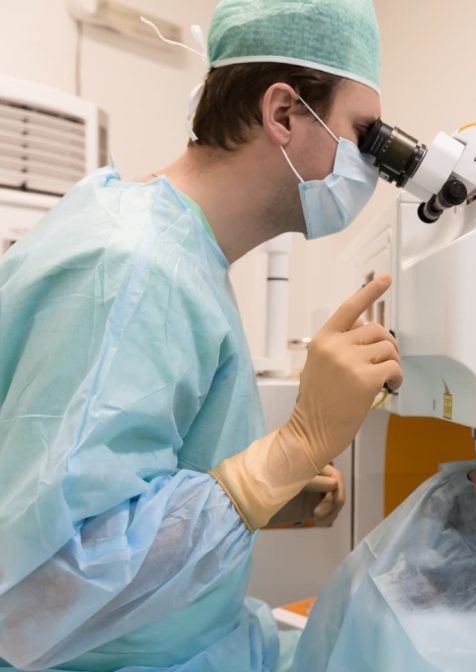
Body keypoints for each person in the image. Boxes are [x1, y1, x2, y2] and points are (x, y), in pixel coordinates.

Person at [0, 1, 399, 670]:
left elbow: (119, 483)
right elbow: (40, 592)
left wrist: (261, 491)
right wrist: (283, 456)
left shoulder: (175, 251)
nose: (374, 164)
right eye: (366, 134)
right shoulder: (133, 266)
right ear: (283, 114)